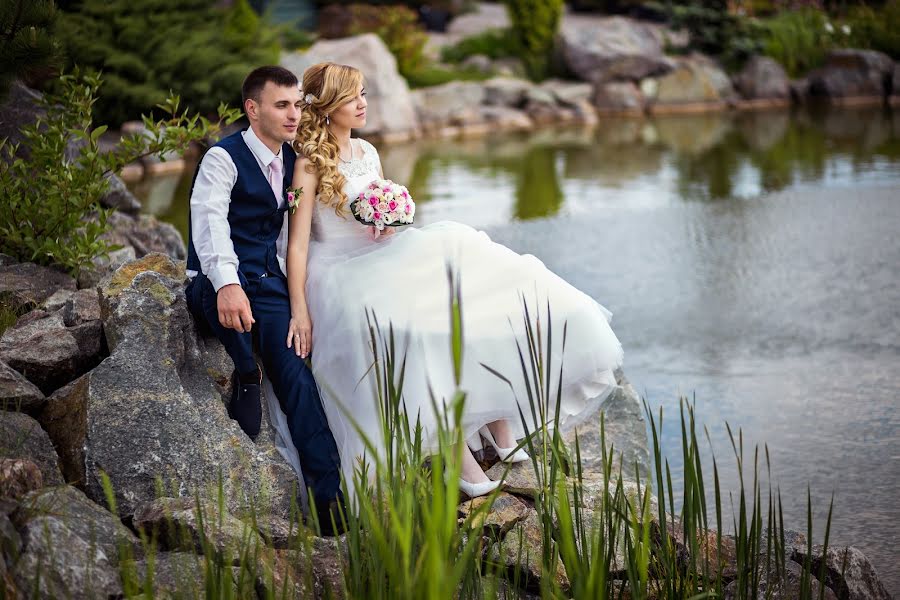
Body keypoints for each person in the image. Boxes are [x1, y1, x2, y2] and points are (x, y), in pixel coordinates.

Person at [286, 62, 624, 498]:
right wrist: (300, 309)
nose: (364, 104)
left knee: (475, 283)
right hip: (339, 271)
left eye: (365, 93)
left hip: (385, 255)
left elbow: (381, 209)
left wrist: (389, 222)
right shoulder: (307, 166)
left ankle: (499, 422)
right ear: (330, 106)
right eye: (354, 98)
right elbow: (297, 244)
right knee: (415, 333)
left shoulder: (368, 152)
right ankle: (460, 461)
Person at [184, 66, 345, 530]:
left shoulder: (294, 159)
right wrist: (228, 284)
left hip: (268, 283)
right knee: (222, 306)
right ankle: (245, 370)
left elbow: (290, 235)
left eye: (297, 105)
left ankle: (328, 505)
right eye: (282, 105)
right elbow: (209, 222)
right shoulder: (223, 157)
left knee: (297, 376)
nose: (294, 114)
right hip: (216, 279)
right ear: (253, 110)